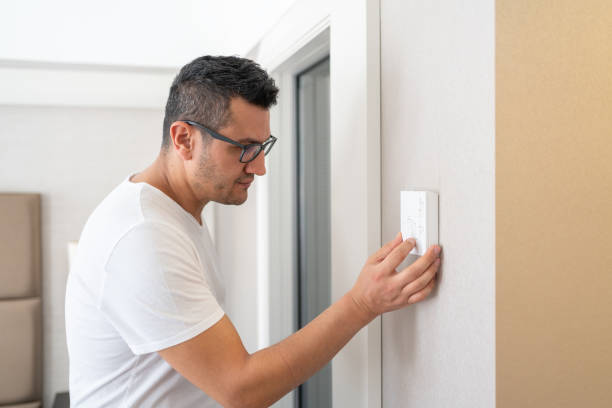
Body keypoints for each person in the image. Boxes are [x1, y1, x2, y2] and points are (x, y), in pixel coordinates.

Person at [65, 55, 442, 408]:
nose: (259, 168)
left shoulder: (173, 212)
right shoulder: (142, 236)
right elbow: (240, 388)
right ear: (184, 139)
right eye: (244, 148)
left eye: (262, 147)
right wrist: (361, 303)